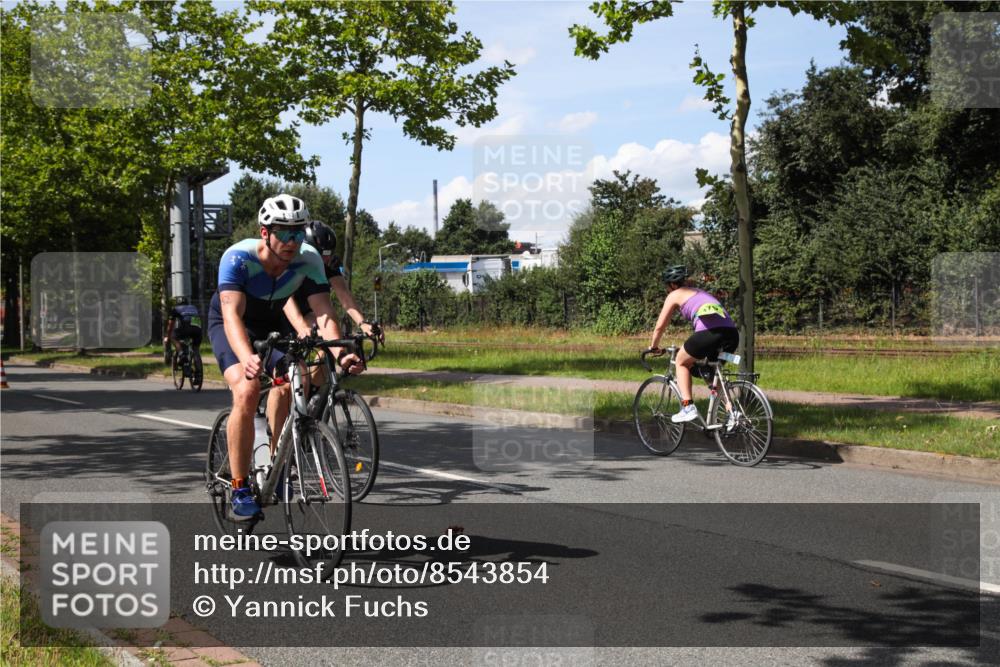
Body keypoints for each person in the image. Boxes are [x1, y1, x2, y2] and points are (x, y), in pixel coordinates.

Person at [207, 194, 364, 520]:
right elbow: (233, 315)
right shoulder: (238, 258)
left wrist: (339, 353)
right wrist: (247, 356)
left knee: (299, 376)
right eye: (284, 233)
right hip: (232, 326)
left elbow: (323, 313)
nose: (292, 241)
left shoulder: (308, 260)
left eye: (298, 232)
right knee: (247, 390)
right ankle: (239, 488)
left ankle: (275, 463)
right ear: (265, 233)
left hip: (272, 327)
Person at [646, 265, 739, 423]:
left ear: (673, 285)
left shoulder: (675, 294)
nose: (667, 290)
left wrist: (653, 346)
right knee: (709, 373)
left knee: (681, 362)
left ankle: (688, 407)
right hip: (731, 334)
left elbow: (660, 326)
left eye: (667, 286)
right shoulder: (699, 292)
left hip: (710, 333)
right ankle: (733, 413)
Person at [164, 296, 202, 361]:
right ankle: (197, 361)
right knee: (195, 348)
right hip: (197, 328)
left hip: (186, 327)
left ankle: (181, 353)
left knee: (173, 337)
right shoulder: (193, 307)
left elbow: (170, 324)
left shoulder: (176, 309)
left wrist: (168, 336)